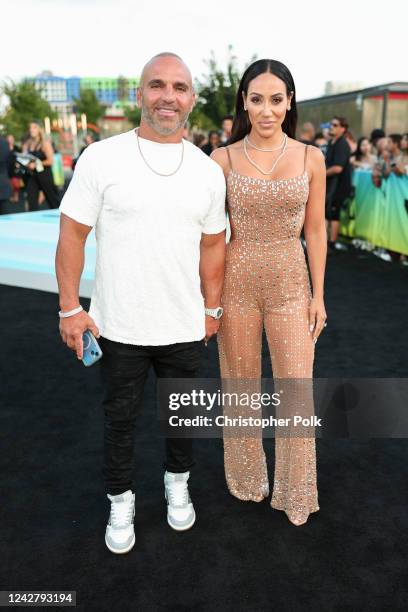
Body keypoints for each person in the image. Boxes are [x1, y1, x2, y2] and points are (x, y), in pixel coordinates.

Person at [56, 52, 226, 554]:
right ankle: (121, 500)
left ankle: (178, 486)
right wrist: (70, 307)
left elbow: (213, 244)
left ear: (191, 99)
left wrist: (212, 308)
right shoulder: (101, 157)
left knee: (181, 418)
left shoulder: (205, 171)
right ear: (139, 96)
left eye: (178, 87)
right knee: (120, 421)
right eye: (157, 85)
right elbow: (72, 234)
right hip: (119, 325)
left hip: (183, 325)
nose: (167, 96)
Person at [211, 59, 327, 526]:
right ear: (244, 102)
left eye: (276, 99)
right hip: (236, 282)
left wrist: (319, 296)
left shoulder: (309, 157)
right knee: (240, 388)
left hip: (290, 283)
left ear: (290, 102)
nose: (266, 109)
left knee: (296, 391)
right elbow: (210, 235)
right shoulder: (222, 158)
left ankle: (295, 491)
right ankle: (247, 480)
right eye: (256, 99)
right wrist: (209, 298)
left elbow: (316, 232)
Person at [325, 117, 352, 251]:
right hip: (331, 185)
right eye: (331, 124)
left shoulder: (342, 144)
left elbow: (338, 168)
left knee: (334, 214)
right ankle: (325, 242)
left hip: (340, 185)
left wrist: (321, 174)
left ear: (343, 128)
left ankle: (332, 243)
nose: (331, 127)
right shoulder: (331, 142)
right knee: (327, 213)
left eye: (335, 125)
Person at [23, 121, 60, 211]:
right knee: (31, 201)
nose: (31, 130)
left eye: (34, 127)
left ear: (39, 129)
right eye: (30, 128)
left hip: (45, 175)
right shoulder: (27, 143)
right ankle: (32, 221)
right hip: (32, 175)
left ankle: (61, 220)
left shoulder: (45, 143)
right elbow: (24, 156)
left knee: (53, 200)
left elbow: (51, 161)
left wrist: (36, 164)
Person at [0, 136, 12, 215]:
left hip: (1, 182)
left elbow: (4, 160)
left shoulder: (3, 143)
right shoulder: (4, 142)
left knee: (4, 214)